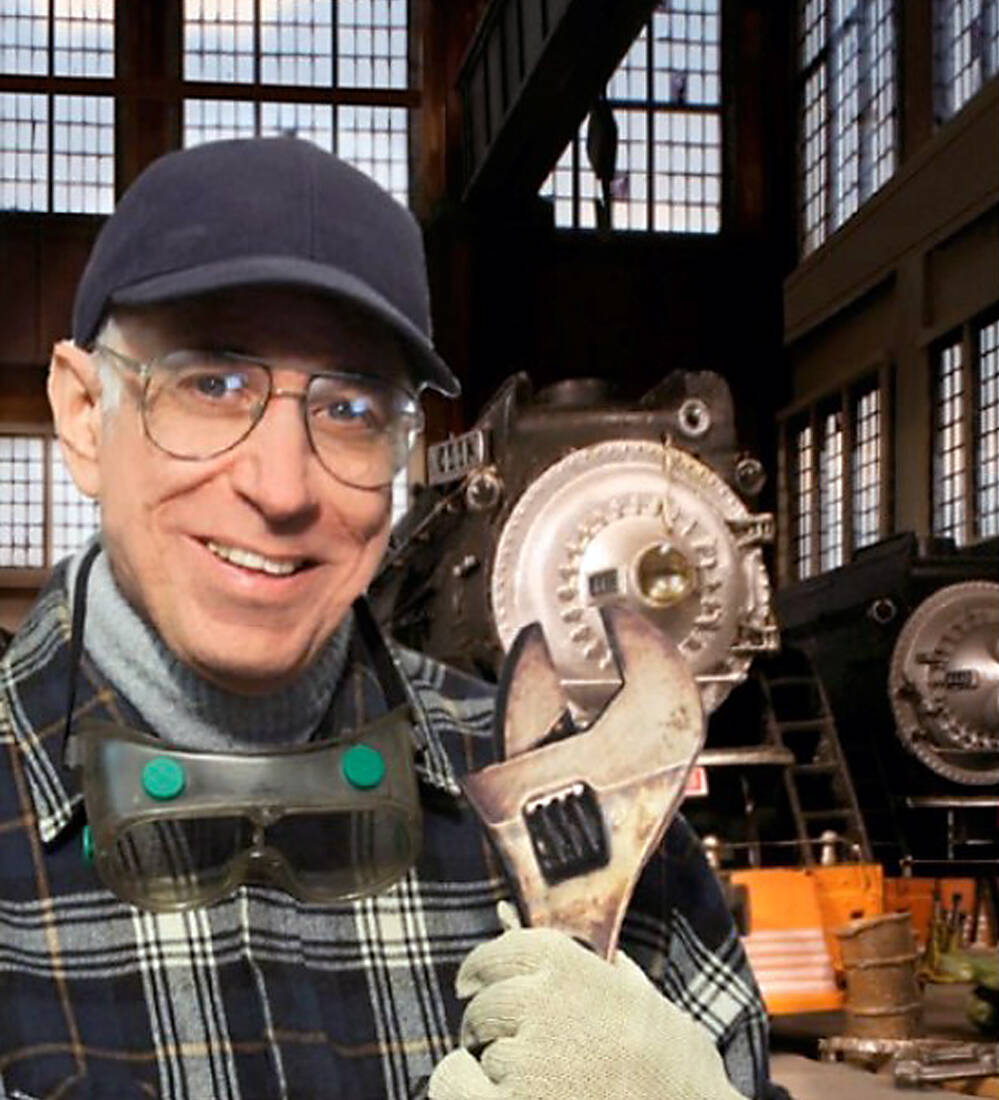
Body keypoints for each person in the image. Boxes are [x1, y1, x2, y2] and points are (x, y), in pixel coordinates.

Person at [0, 137, 775, 1100]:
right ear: (83, 413)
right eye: (211, 384)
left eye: (352, 408)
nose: (280, 489)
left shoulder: (579, 798)